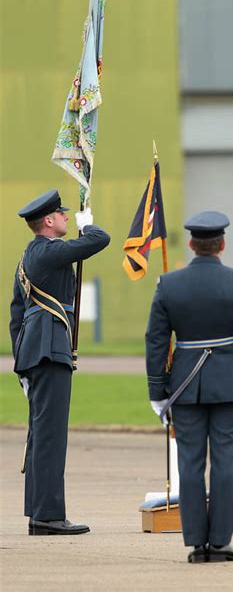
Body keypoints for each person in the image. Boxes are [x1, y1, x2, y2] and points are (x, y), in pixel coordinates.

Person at [145, 210, 233, 563]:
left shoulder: (169, 284)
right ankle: (222, 541)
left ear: (194, 245)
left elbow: (156, 340)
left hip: (185, 385)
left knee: (191, 465)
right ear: (222, 244)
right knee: (225, 464)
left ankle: (197, 544)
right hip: (230, 383)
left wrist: (157, 389)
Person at [9, 189, 110, 535]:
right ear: (48, 222)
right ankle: (49, 516)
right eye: (63, 215)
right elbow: (100, 241)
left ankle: (40, 513)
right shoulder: (49, 250)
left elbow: (15, 314)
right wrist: (89, 225)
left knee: (41, 435)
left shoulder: (28, 257)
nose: (68, 217)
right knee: (50, 435)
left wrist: (21, 363)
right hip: (51, 348)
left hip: (37, 349)